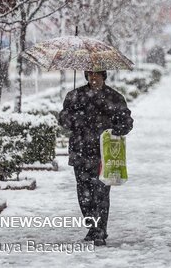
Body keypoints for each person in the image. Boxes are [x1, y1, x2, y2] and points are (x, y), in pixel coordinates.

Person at [59, 70, 133, 246]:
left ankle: (99, 230)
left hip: (103, 153)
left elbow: (127, 122)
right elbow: (63, 120)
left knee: (101, 192)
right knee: (84, 193)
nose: (94, 77)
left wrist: (117, 130)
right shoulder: (75, 96)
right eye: (90, 74)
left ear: (104, 76)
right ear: (85, 76)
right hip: (80, 151)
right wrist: (72, 118)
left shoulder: (114, 97)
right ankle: (92, 226)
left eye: (97, 74)